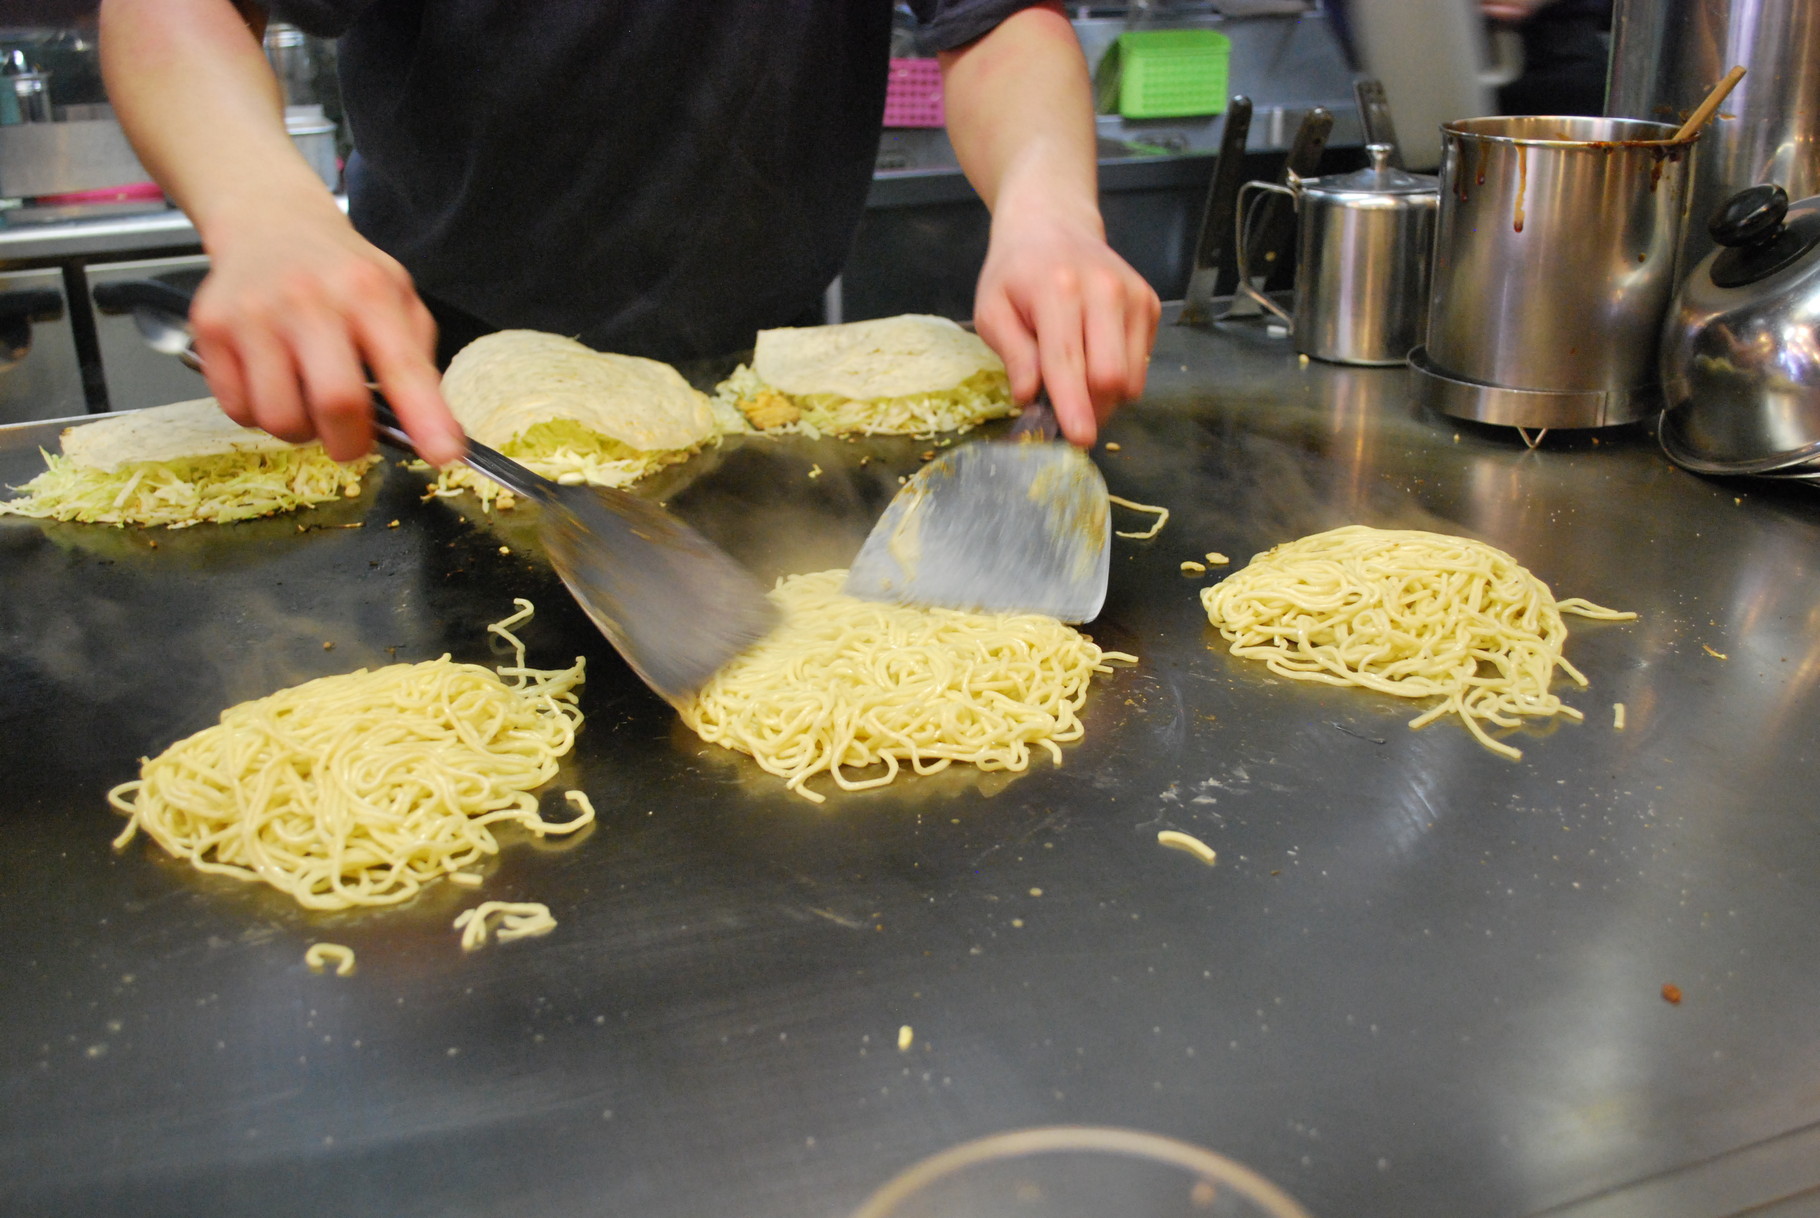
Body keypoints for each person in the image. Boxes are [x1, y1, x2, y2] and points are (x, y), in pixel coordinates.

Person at [96, 1, 1160, 466]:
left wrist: (1047, 206)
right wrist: (266, 213)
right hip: (445, 363)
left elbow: (994, 20)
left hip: (771, 372)